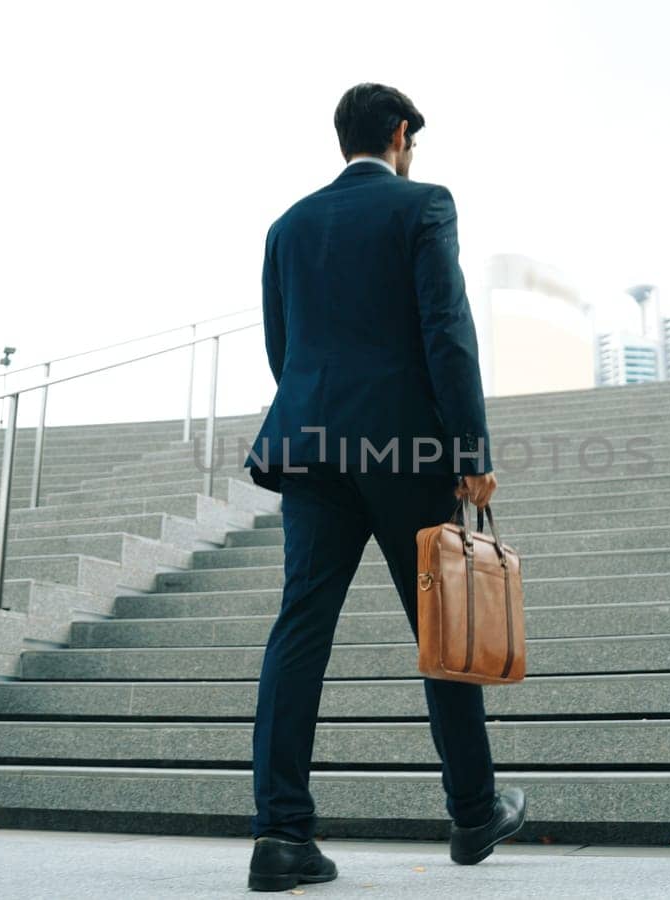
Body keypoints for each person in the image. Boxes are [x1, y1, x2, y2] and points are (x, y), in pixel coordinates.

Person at [242, 82, 527, 892]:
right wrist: (470, 449)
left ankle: (280, 835)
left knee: (298, 632)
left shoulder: (286, 227)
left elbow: (282, 348)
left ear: (345, 141)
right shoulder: (424, 205)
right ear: (401, 134)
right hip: (405, 448)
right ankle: (473, 811)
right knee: (445, 623)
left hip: (311, 447)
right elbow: (447, 330)